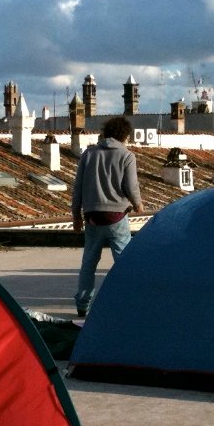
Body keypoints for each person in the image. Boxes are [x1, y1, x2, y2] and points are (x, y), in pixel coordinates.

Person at [71, 116, 144, 317]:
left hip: (92, 216)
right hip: (117, 217)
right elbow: (130, 186)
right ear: (125, 135)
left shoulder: (89, 154)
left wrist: (76, 215)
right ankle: (128, 301)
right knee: (124, 262)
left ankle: (83, 304)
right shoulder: (127, 155)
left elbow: (78, 187)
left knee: (89, 263)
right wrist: (138, 204)